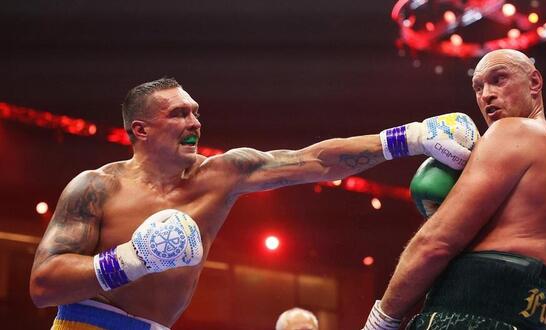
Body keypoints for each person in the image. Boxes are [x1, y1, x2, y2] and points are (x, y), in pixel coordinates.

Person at [29, 77, 479, 329]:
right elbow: (43, 286)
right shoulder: (96, 186)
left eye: (196, 111)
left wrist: (412, 137)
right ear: (140, 129)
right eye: (179, 113)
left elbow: (315, 161)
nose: (195, 122)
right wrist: (132, 259)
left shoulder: (221, 174)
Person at [363, 49, 546, 330]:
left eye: (498, 79)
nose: (486, 94)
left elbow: (435, 242)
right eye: (478, 87)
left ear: (534, 83)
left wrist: (380, 322)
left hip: (473, 315)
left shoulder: (512, 131)